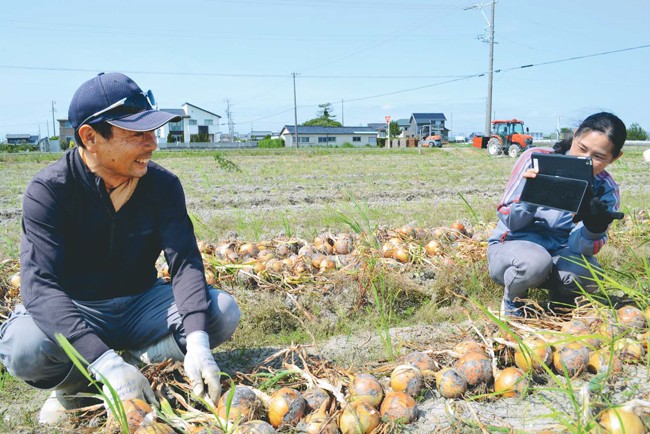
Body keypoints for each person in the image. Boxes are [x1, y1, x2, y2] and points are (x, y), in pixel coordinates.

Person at [0, 72, 241, 424]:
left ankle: (133, 364)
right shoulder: (50, 192)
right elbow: (40, 287)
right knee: (24, 347)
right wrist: (104, 361)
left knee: (220, 313)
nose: (153, 144)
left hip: (141, 303)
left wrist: (199, 344)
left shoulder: (162, 186)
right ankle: (80, 385)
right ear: (90, 137)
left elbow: (185, 262)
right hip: (78, 306)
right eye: (137, 134)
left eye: (153, 131)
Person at [487, 112, 626, 317]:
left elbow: (581, 249)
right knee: (534, 262)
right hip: (515, 248)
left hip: (562, 252)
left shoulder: (606, 190)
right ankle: (513, 301)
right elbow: (511, 221)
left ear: (615, 158)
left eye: (598, 157)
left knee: (589, 273)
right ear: (576, 134)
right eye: (582, 148)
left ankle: (560, 306)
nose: (584, 159)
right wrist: (530, 198)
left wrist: (593, 228)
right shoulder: (535, 160)